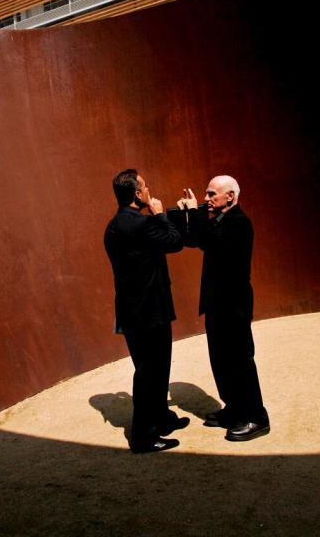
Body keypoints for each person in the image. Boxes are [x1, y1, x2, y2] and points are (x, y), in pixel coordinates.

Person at [175, 175, 270, 441]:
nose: (206, 199)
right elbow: (193, 239)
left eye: (211, 194)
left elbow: (211, 241)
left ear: (230, 196)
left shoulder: (239, 222)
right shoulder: (217, 221)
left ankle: (256, 418)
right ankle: (234, 408)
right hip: (216, 303)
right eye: (205, 195)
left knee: (240, 361)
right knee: (221, 360)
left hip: (234, 304)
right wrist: (183, 216)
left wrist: (195, 212)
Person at [104, 169, 190, 453]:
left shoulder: (113, 227)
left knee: (154, 366)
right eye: (145, 187)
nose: (149, 190)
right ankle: (143, 435)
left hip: (132, 311)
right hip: (150, 310)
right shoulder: (142, 224)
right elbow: (175, 241)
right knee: (150, 371)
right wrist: (160, 214)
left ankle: (161, 418)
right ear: (138, 194)